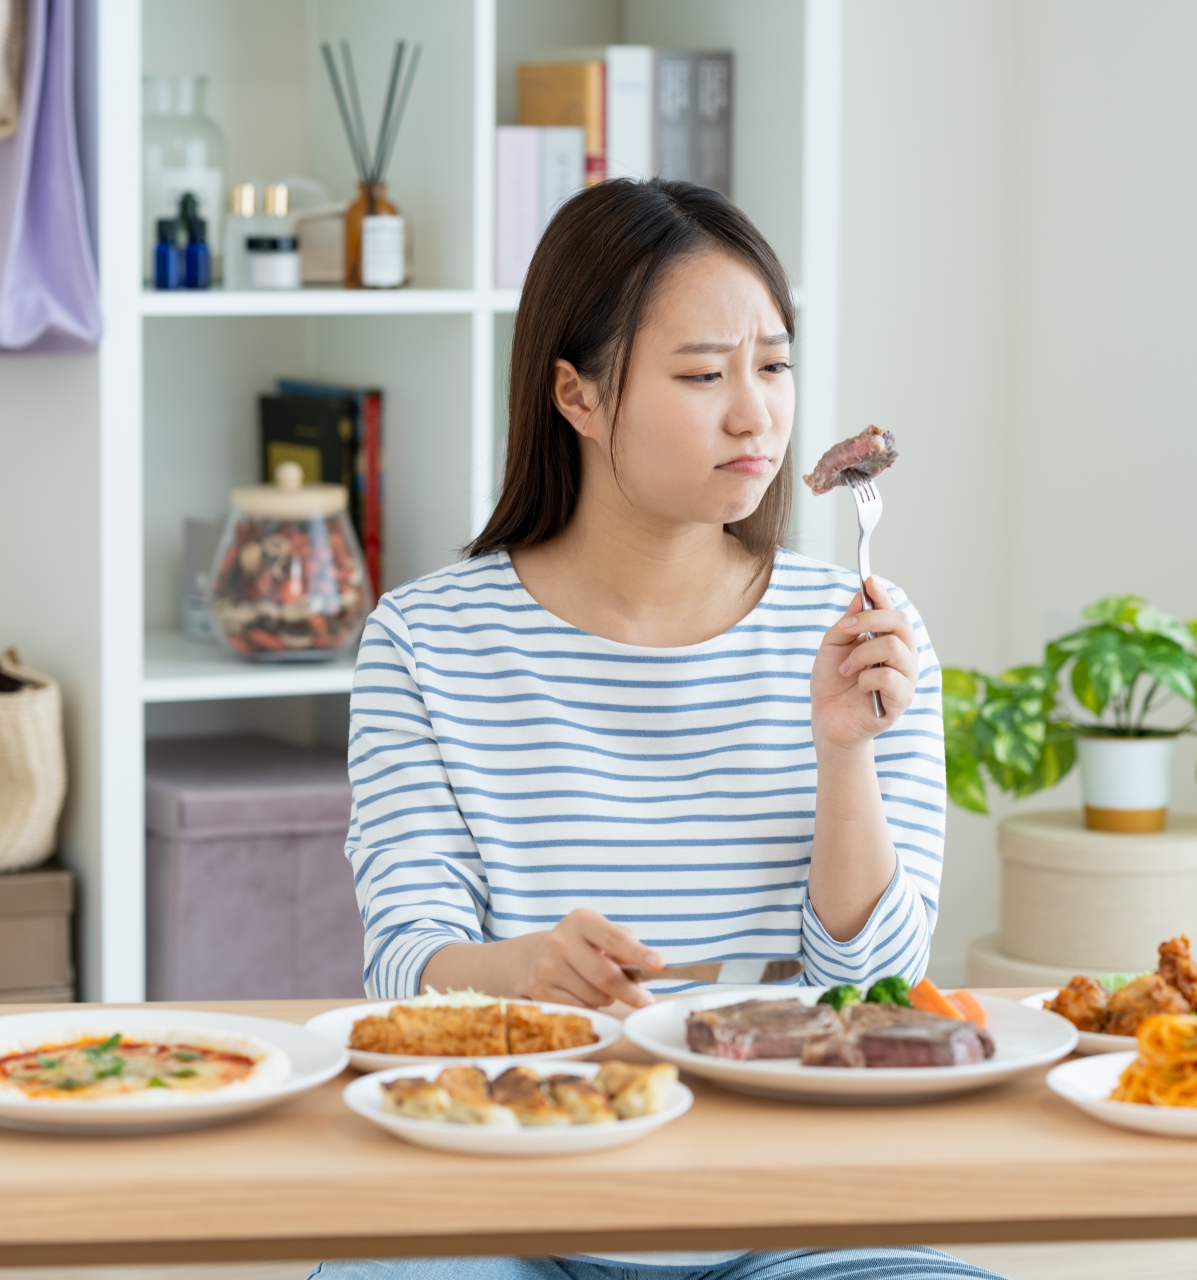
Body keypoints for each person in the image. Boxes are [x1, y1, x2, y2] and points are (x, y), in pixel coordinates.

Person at [322, 180, 995, 1280]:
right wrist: (524, 969)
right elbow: (404, 968)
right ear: (576, 396)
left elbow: (872, 986)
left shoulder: (863, 630)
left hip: (800, 1207)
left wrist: (844, 756)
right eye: (701, 374)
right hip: (506, 1189)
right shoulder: (425, 640)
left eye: (773, 365)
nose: (756, 414)